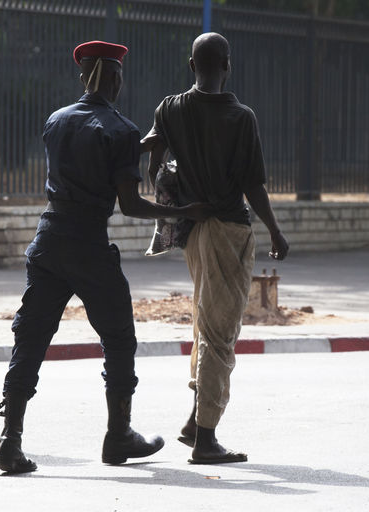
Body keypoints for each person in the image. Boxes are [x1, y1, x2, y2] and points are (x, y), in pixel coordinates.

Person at [0, 40, 212, 474]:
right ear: (114, 78)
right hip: (89, 246)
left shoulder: (56, 120)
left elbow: (92, 148)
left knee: (31, 338)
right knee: (119, 339)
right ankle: (118, 437)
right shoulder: (122, 129)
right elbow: (130, 204)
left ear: (82, 77)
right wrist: (183, 211)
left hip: (50, 239)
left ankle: (9, 442)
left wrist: (140, 146)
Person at [143, 32, 290, 464]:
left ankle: (194, 421)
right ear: (227, 64)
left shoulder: (169, 108)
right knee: (220, 335)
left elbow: (154, 159)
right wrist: (276, 232)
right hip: (230, 229)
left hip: (193, 229)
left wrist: (178, 195)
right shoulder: (241, 117)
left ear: (192, 65)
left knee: (205, 325)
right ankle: (206, 440)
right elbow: (252, 185)